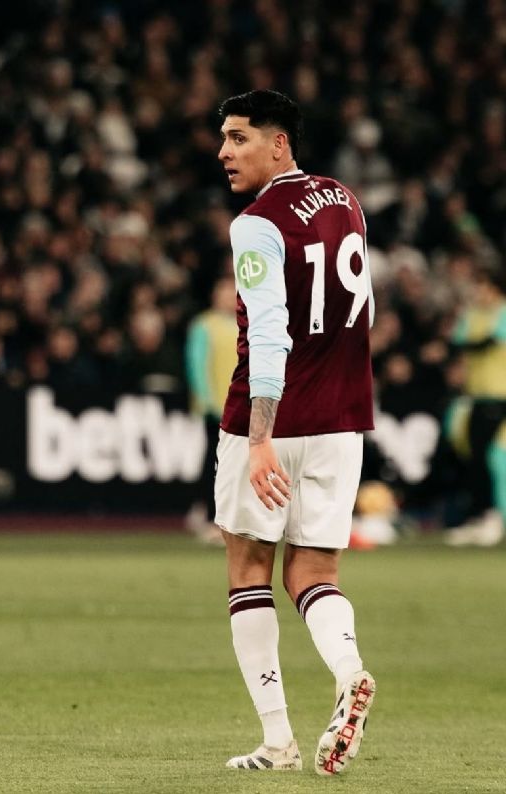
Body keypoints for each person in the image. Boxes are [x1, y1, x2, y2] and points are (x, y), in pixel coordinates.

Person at [213, 89, 376, 775]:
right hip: (343, 419)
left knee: (249, 570)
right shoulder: (345, 200)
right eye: (224, 138)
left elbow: (271, 333)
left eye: (239, 137)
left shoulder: (256, 223)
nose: (224, 152)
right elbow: (360, 310)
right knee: (314, 572)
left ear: (279, 143)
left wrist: (258, 441)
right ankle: (349, 671)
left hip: (274, 421)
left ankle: (278, 741)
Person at [444, 267, 506, 546]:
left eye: (482, 286)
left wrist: (463, 346)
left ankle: (494, 516)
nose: (477, 292)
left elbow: (482, 344)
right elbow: (458, 343)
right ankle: (481, 516)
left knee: (495, 458)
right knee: (476, 460)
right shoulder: (472, 315)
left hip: (501, 396)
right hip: (476, 398)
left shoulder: (502, 312)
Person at [184, 276, 237, 543]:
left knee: (237, 466)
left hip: (244, 409)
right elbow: (196, 364)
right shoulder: (204, 325)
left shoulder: (248, 323)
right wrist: (206, 400)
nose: (229, 297)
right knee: (215, 464)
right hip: (217, 409)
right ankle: (210, 516)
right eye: (224, 291)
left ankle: (229, 518)